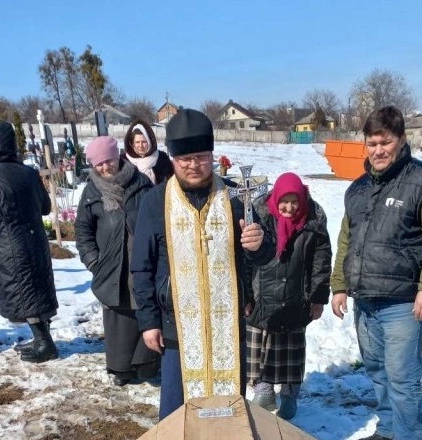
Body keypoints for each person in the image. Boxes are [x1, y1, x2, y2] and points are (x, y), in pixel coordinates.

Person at [331, 106, 422, 440]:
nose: (378, 149)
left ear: (401, 140)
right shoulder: (358, 189)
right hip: (365, 298)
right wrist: (340, 285)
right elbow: (346, 241)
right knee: (377, 369)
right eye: (372, 142)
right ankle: (387, 427)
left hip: (403, 300)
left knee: (402, 374)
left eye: (385, 141)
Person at [131, 108, 274, 420]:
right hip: (176, 324)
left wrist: (259, 244)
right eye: (185, 159)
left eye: (201, 157)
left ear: (212, 155)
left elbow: (264, 254)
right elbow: (141, 265)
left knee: (226, 413)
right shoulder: (156, 201)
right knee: (176, 413)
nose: (194, 165)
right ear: (173, 159)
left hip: (227, 326)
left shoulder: (236, 196)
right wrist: (148, 321)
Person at [0, 121, 59, 363]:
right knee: (37, 289)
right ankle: (42, 339)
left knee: (26, 294)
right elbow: (46, 207)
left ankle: (45, 343)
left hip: (8, 245)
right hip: (35, 241)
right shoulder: (28, 173)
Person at [75, 136, 159, 385]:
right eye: (99, 164)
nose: (105, 167)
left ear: (118, 157)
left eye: (108, 161)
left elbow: (156, 218)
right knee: (119, 318)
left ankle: (147, 363)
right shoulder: (92, 191)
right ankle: (121, 368)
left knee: (143, 309)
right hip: (110, 266)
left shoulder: (141, 183)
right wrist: (93, 261)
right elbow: (83, 230)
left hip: (142, 261)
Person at [247, 172, 331, 420]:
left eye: (295, 202)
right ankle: (263, 390)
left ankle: (289, 394)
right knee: (260, 350)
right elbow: (245, 260)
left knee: (291, 353)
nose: (289, 207)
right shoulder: (259, 218)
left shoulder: (312, 223)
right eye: (284, 201)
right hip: (262, 296)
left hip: (296, 298)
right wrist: (246, 298)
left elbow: (321, 263)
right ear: (275, 198)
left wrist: (317, 298)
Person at [122, 119, 174, 185]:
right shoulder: (124, 161)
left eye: (144, 142)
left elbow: (171, 181)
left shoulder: (161, 158)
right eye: (137, 142)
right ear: (132, 144)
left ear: (149, 142)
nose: (140, 146)